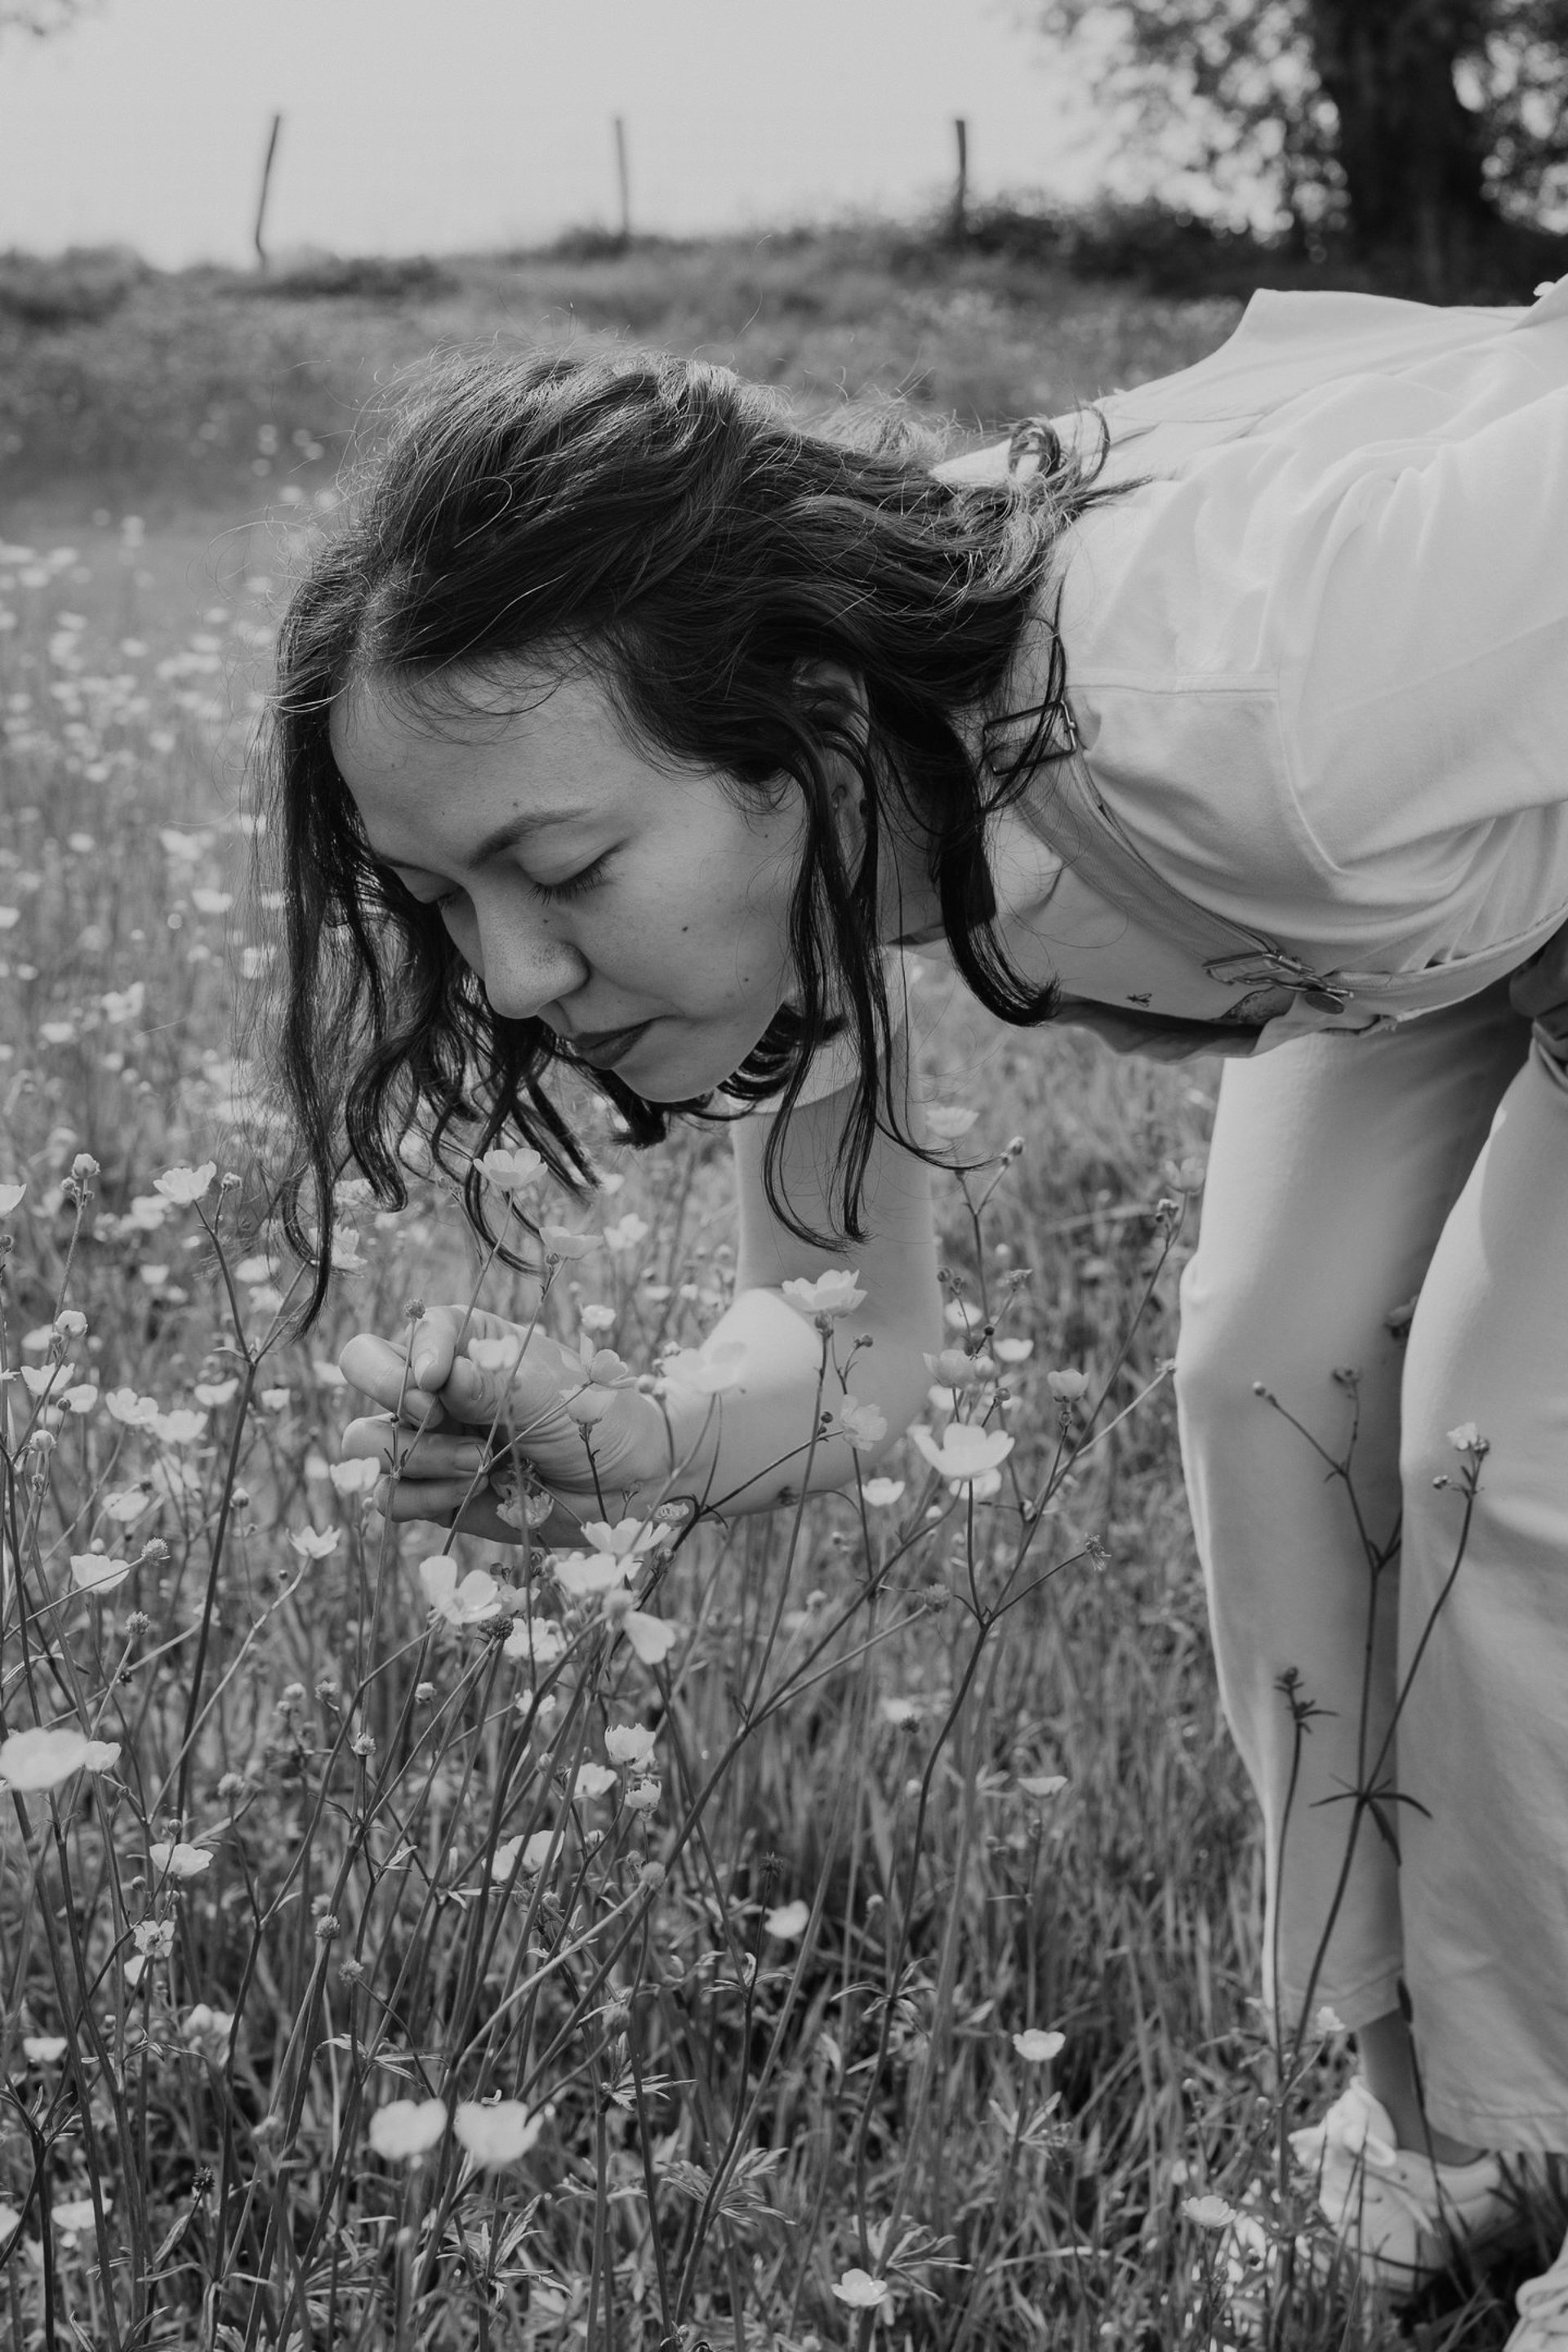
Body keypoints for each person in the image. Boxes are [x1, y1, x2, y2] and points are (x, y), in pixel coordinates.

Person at [269, 277, 1568, 2343]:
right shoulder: (848, 848)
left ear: (808, 735)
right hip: (1442, 885)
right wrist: (644, 1439)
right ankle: (1463, 2127)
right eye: (444, 900)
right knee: (1266, 1372)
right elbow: (850, 1353)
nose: (511, 974)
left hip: (1457, 767)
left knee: (1509, 1469)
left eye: (560, 866)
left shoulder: (1263, 687)